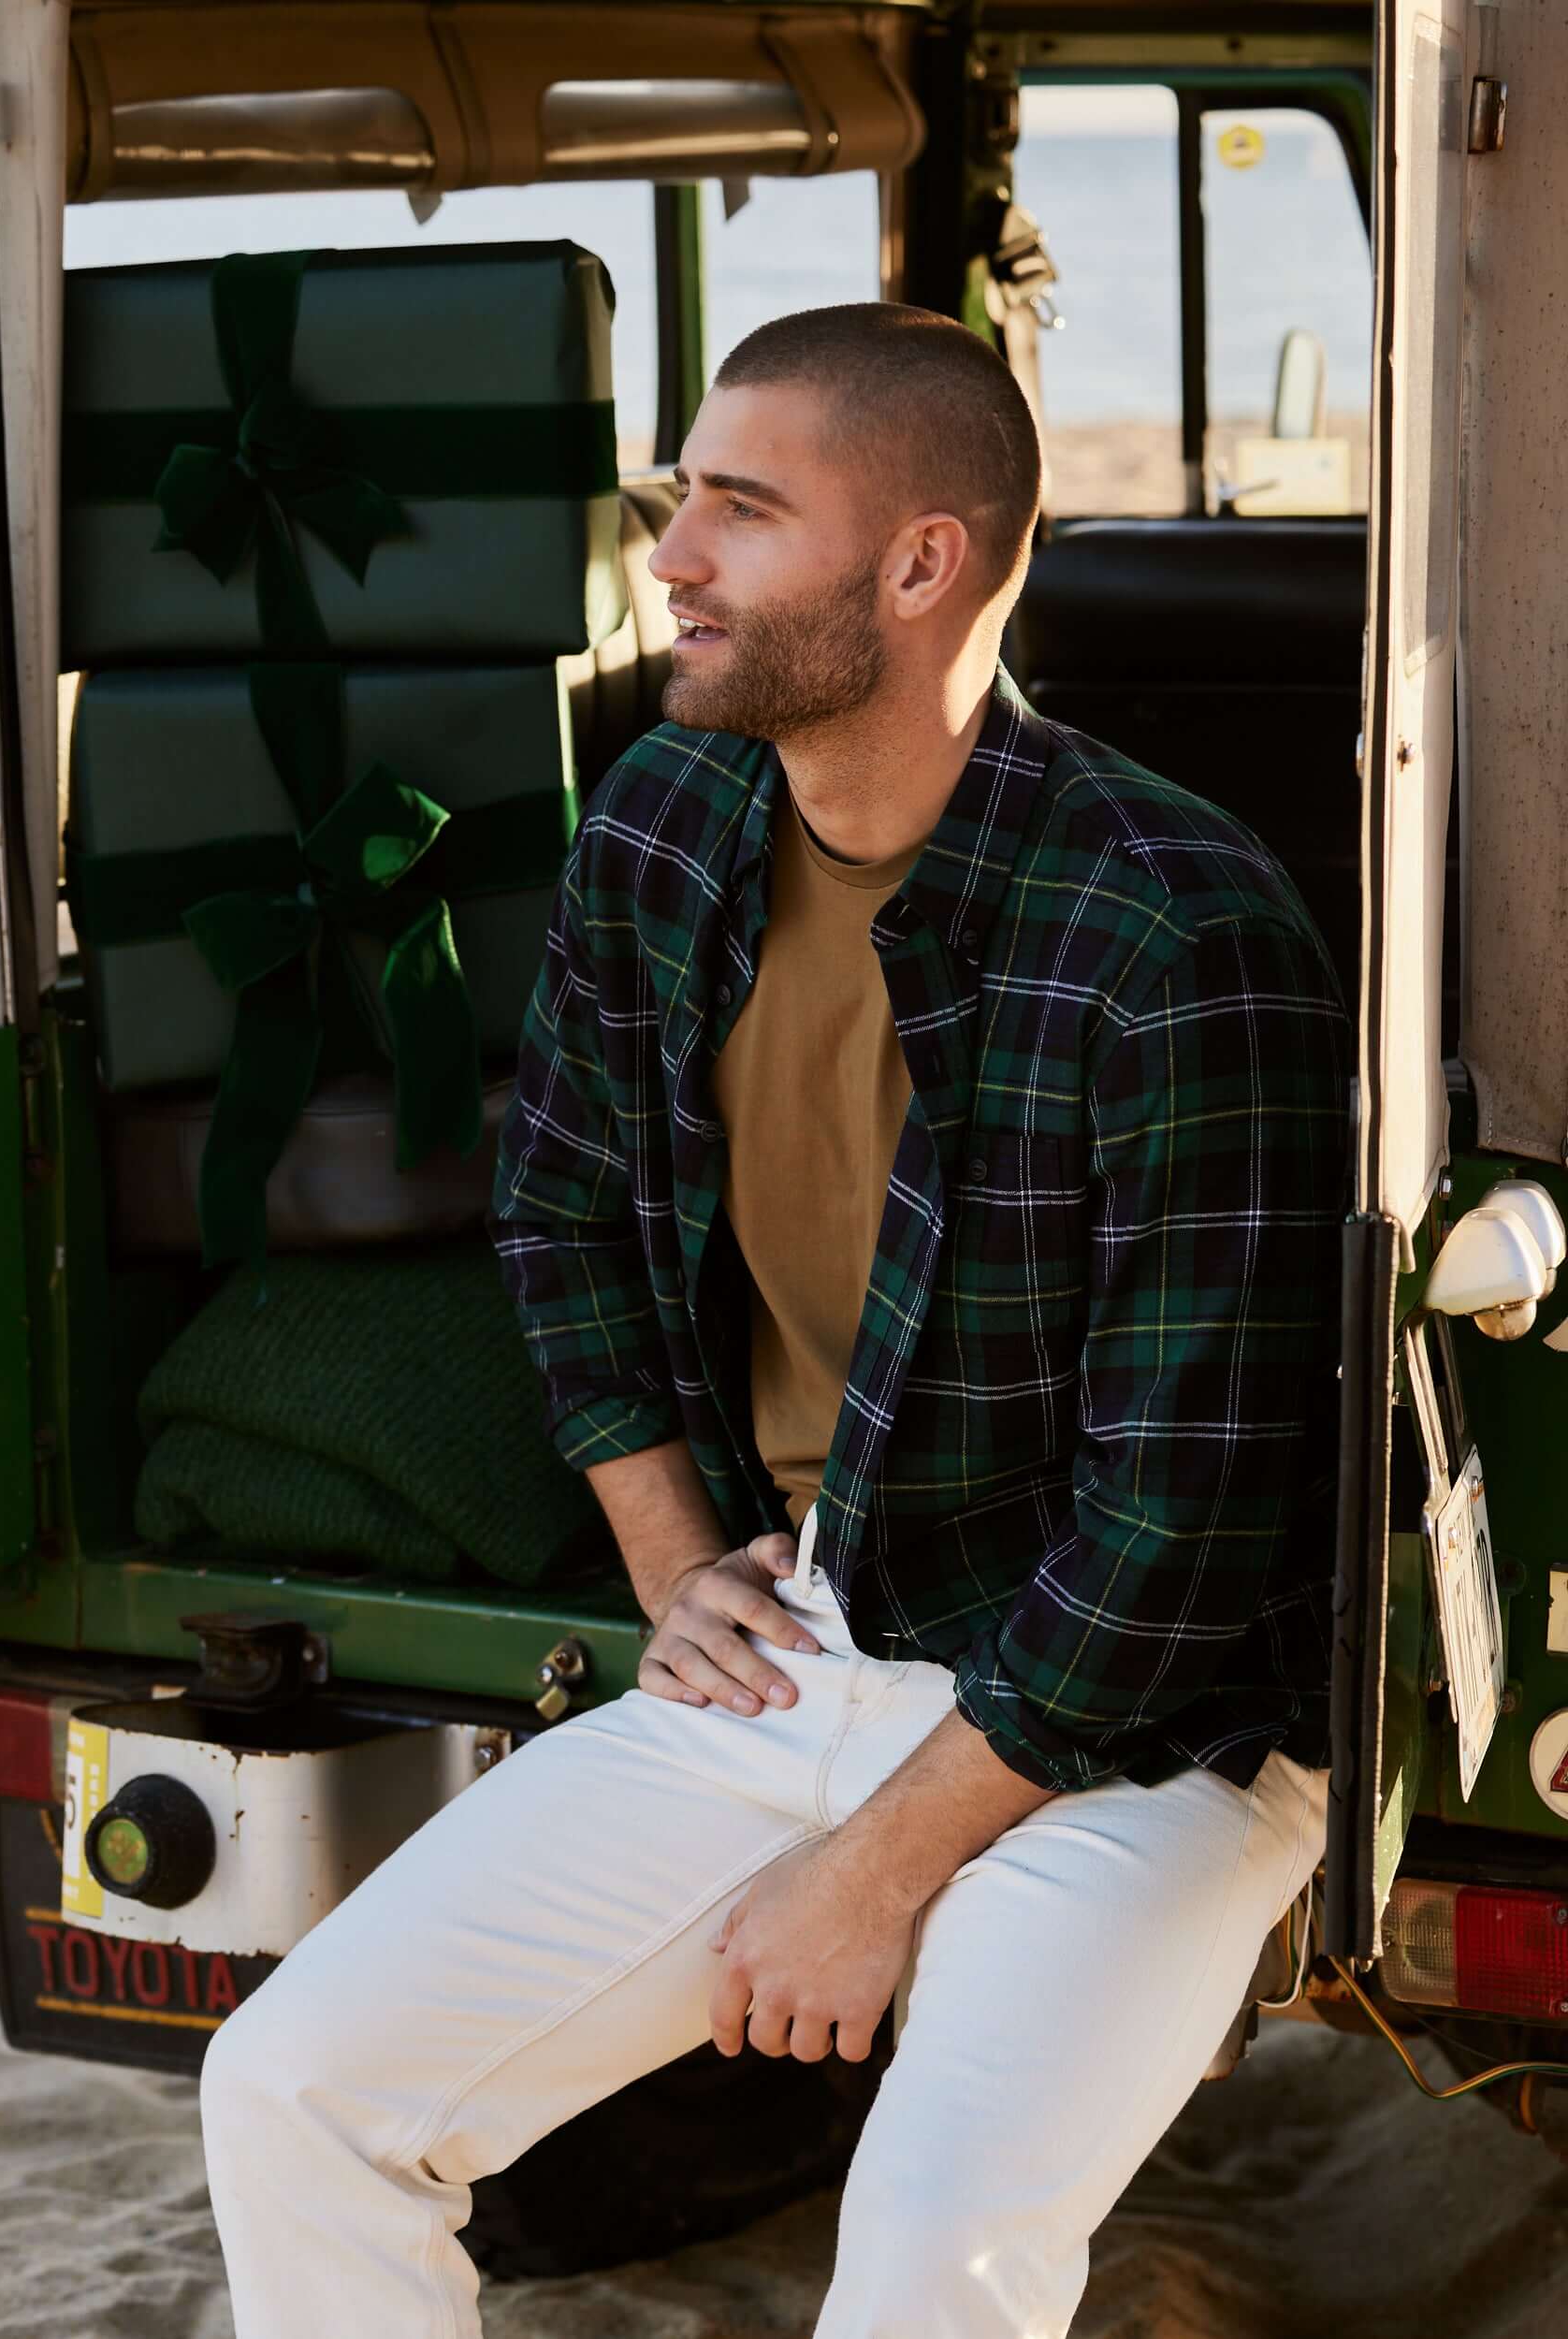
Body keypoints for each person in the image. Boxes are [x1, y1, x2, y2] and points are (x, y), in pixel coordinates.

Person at [199, 302, 1349, 2337]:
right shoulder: (671, 815)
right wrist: (665, 1544)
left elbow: (1182, 1529)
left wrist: (877, 1869)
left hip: (1127, 1730)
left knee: (924, 2265)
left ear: (918, 565)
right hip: (801, 1634)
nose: (672, 557)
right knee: (295, 2086)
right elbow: (557, 1199)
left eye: (739, 507)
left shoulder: (1177, 928)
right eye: (680, 497)